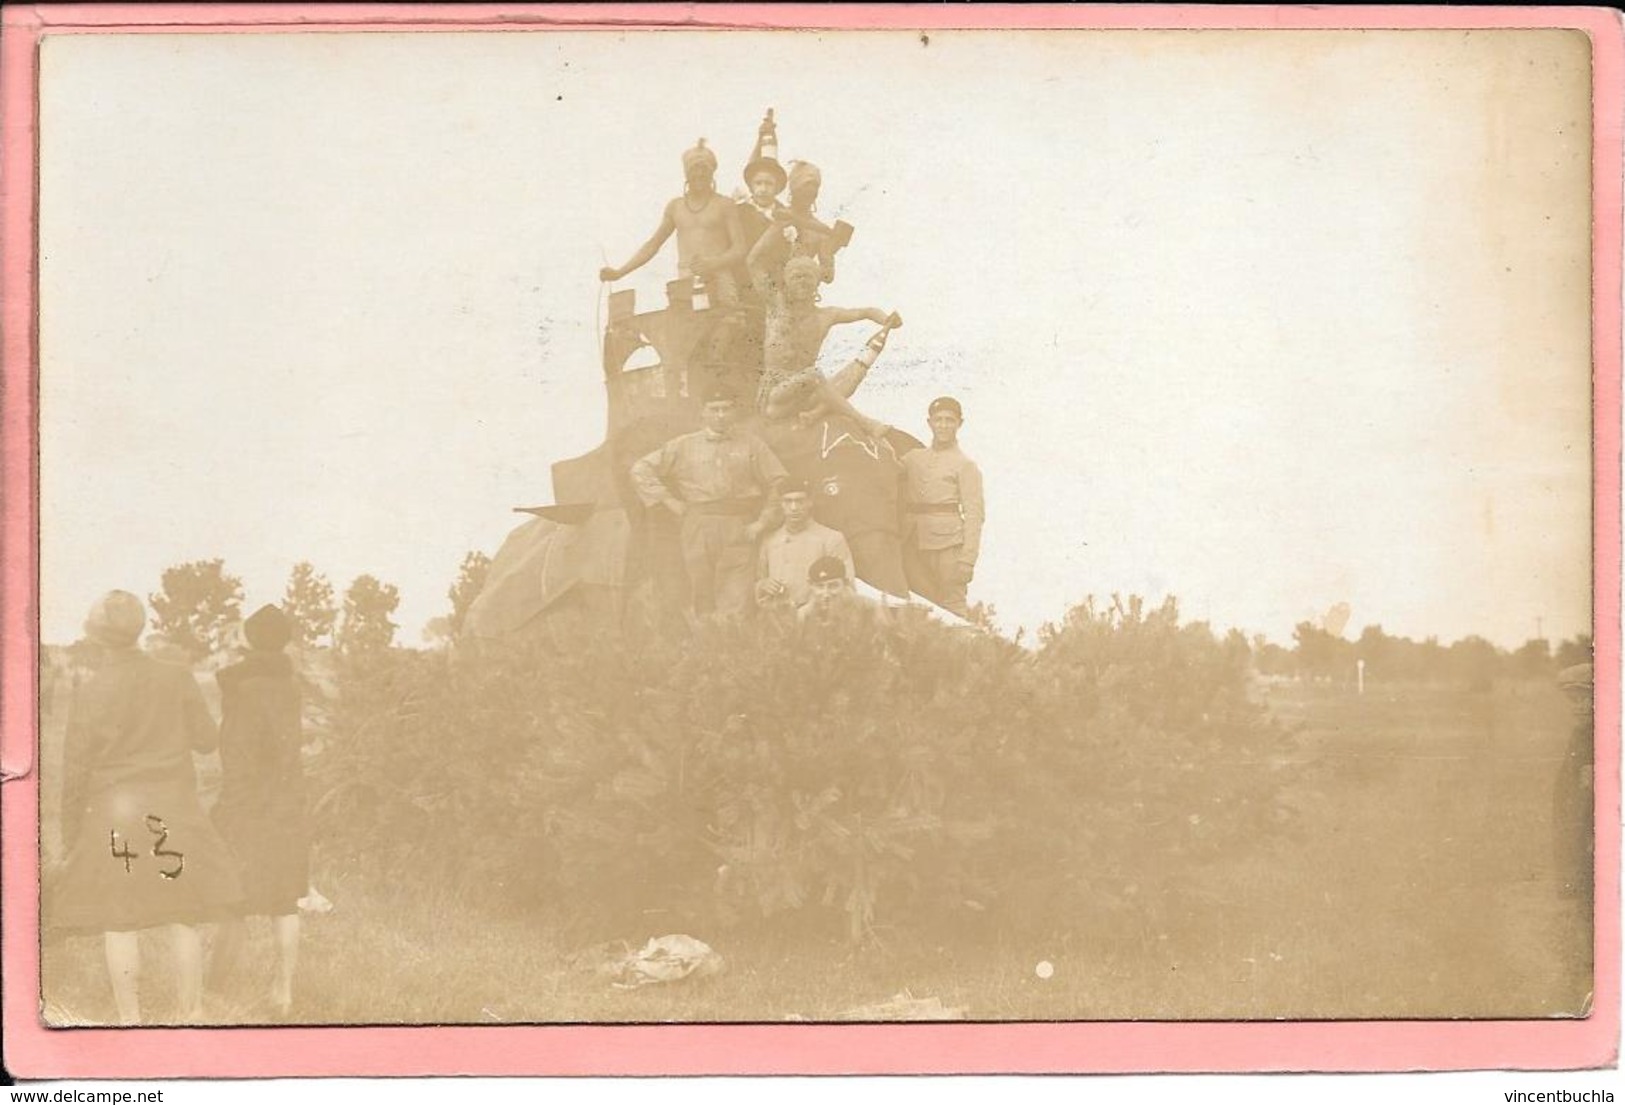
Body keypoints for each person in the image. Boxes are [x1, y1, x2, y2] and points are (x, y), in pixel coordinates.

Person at [50, 591, 244, 1024]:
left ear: (96, 635)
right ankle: (192, 1013)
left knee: (118, 919)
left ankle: (130, 1021)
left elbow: (75, 771)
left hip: (114, 812)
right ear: (139, 628)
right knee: (183, 912)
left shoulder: (91, 689)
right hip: (171, 809)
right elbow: (207, 741)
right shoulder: (176, 678)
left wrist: (70, 837)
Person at [208, 604, 309, 1017]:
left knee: (233, 899)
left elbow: (236, 755)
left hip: (247, 804)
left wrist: (226, 806)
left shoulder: (243, 689)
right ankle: (283, 991)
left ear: (249, 640)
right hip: (286, 803)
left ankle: (215, 986)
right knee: (285, 900)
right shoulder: (291, 686)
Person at [630, 387, 788, 615]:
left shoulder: (751, 444)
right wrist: (668, 500)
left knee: (737, 597)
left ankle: (734, 646)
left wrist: (762, 522)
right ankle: (708, 646)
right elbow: (641, 469)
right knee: (701, 592)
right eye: (714, 410)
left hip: (739, 524)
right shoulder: (683, 445)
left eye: (726, 409)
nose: (721, 415)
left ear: (734, 412)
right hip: (697, 525)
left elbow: (779, 481)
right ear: (702, 413)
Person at [748, 230, 901, 436]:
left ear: (817, 282)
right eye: (796, 276)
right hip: (776, 398)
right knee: (815, 375)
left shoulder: (827, 315)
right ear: (786, 281)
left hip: (807, 397)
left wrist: (885, 320)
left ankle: (815, 414)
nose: (802, 281)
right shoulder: (776, 306)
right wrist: (778, 225)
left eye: (808, 277)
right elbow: (753, 262)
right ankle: (865, 423)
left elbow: (865, 312)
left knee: (854, 372)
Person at [599, 139, 747, 308]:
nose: (699, 174)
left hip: (721, 283)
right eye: (694, 169)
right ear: (686, 174)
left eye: (704, 169)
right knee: (685, 331)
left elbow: (740, 249)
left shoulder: (724, 204)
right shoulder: (676, 207)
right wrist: (619, 272)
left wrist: (713, 263)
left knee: (727, 330)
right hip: (685, 285)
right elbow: (652, 245)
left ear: (712, 172)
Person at [901, 397, 985, 619]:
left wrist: (967, 560)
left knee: (952, 607)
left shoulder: (965, 465)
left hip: (948, 547)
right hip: (913, 542)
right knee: (919, 606)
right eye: (938, 420)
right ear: (929, 423)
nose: (944, 425)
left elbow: (975, 515)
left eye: (950, 420)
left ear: (960, 424)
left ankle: (960, 653)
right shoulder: (912, 459)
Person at [755, 478, 854, 609]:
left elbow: (846, 585)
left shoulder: (831, 538)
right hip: (778, 616)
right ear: (781, 504)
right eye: (788, 501)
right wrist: (763, 585)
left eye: (799, 501)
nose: (794, 508)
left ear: (810, 502)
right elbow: (759, 579)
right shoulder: (770, 541)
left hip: (818, 616)